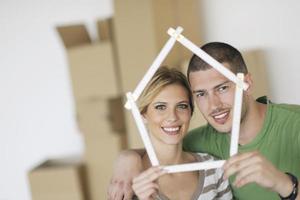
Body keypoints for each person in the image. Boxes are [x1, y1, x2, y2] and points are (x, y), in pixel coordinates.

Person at [108, 42, 300, 200]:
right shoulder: (201, 143)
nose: (213, 105)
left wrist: (283, 184)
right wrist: (127, 159)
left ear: (247, 84)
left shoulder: (294, 123)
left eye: (222, 88)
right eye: (201, 94)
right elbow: (166, 148)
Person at [109, 66, 232, 199]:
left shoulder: (213, 168)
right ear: (143, 114)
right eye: (160, 107)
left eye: (182, 106)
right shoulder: (128, 179)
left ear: (190, 112)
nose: (172, 117)